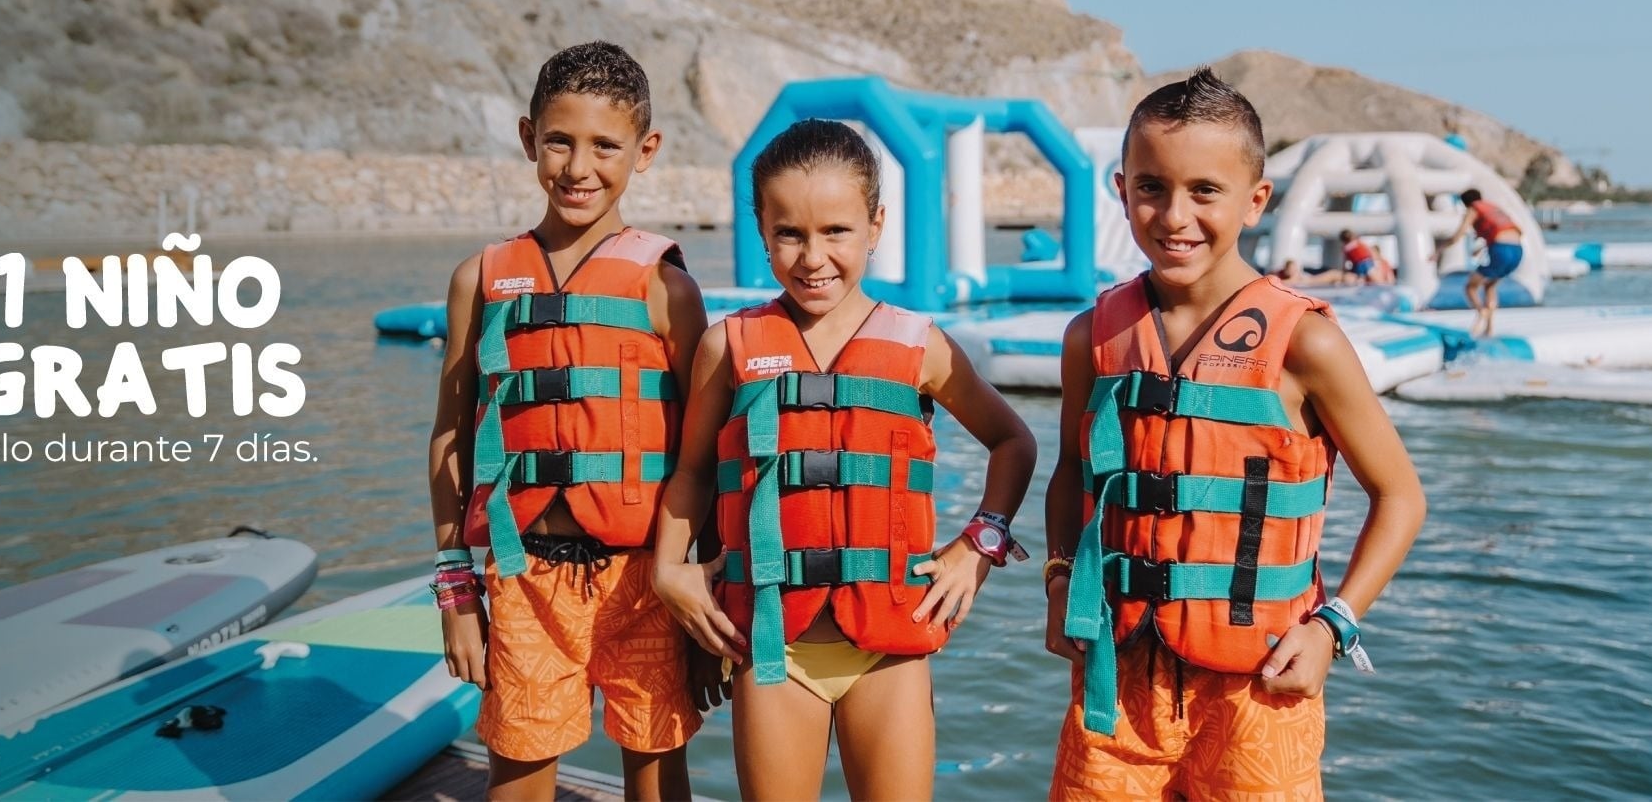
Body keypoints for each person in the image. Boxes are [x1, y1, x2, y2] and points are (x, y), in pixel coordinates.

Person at [1044, 68, 1426, 799]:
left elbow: (1400, 495)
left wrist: (1333, 626)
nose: (1174, 215)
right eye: (1151, 187)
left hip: (1261, 691)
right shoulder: (1090, 336)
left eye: (1204, 191)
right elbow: (1070, 468)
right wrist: (1060, 579)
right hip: (1115, 684)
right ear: (1121, 190)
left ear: (1256, 201)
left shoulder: (1304, 344)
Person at [651, 119, 1037, 800]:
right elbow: (694, 474)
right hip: (773, 649)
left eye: (836, 231)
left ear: (875, 224)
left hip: (890, 649)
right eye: (789, 233)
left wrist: (980, 543)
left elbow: (1014, 441)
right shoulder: (727, 347)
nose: (812, 257)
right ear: (761, 231)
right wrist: (668, 570)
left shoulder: (921, 346)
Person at [426, 41, 712, 801]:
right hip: (522, 579)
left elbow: (705, 449)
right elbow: (452, 436)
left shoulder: (668, 288)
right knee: (516, 779)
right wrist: (457, 593)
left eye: (604, 146)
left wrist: (708, 589)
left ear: (645, 152)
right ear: (529, 139)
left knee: (658, 778)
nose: (578, 167)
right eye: (559, 141)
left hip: (646, 581)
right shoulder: (478, 280)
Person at [1432, 188, 1524, 336]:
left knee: (1470, 287)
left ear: (1465, 203)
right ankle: (1489, 329)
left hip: (1501, 250)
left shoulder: (1473, 209)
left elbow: (1457, 236)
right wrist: (1484, 248)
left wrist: (1439, 250)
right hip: (1518, 251)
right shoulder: (1495, 209)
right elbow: (1509, 232)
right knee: (1489, 285)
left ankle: (1481, 312)